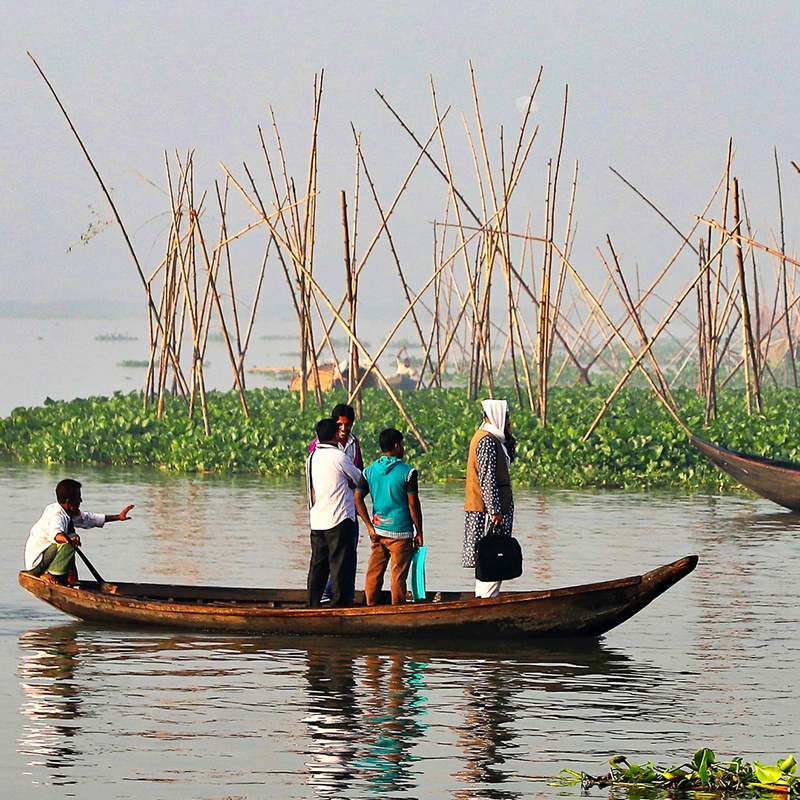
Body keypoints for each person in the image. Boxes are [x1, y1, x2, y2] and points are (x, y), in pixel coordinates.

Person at [355, 428, 423, 606]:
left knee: (374, 573)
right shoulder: (408, 472)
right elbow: (413, 504)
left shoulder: (369, 471)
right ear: (396, 446)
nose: (403, 448)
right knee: (398, 575)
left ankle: (370, 607)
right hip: (400, 532)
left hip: (378, 531)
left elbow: (357, 498)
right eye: (402, 444)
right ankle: (397, 610)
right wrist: (419, 531)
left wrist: (369, 527)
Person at [24, 479, 135, 586]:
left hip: (44, 558)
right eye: (78, 498)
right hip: (37, 565)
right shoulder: (56, 515)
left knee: (70, 536)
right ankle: (50, 575)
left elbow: (89, 519)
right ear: (68, 501)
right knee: (71, 537)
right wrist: (70, 540)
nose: (80, 501)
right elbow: (56, 535)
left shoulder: (66, 512)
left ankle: (66, 577)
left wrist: (118, 517)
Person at [461, 399, 516, 598]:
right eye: (507, 419)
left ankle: (484, 599)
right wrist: (495, 512)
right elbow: (487, 479)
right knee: (491, 558)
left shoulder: (495, 439)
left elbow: (508, 455)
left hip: (493, 510)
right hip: (488, 512)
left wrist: (509, 436)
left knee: (491, 559)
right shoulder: (486, 441)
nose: (508, 423)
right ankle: (485, 601)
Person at [306, 418, 363, 607]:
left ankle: (312, 603)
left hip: (318, 518)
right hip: (339, 518)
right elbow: (359, 478)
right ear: (334, 435)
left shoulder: (311, 457)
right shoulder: (339, 457)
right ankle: (339, 605)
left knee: (318, 564)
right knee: (340, 564)